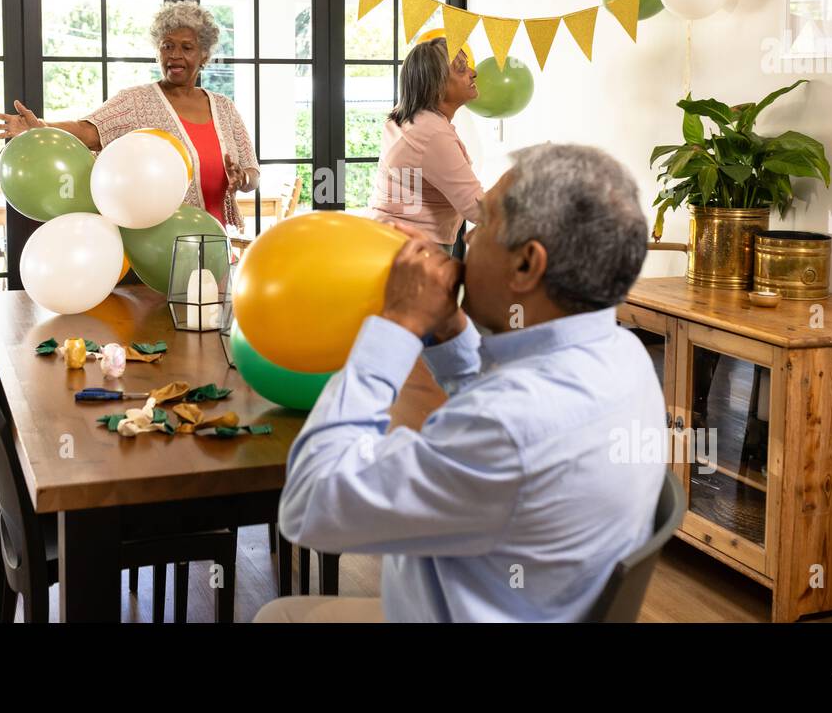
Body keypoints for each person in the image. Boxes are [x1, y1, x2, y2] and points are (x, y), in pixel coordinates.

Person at [256, 143, 666, 623]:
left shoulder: (511, 428)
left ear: (526, 265)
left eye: (484, 223)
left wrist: (397, 326)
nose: (466, 242)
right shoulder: (625, 357)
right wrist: (446, 327)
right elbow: (501, 412)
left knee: (276, 615)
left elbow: (310, 504)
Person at [0, 0, 258, 229]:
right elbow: (90, 132)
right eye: (167, 46)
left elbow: (252, 172)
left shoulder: (224, 107)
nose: (175, 56)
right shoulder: (135, 101)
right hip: (157, 248)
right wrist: (41, 127)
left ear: (204, 56)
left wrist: (242, 178)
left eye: (187, 48)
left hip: (216, 242)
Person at [368, 37, 482, 253]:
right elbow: (475, 206)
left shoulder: (408, 119)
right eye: (461, 69)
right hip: (412, 248)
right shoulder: (432, 133)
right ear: (437, 85)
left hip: (389, 239)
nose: (473, 72)